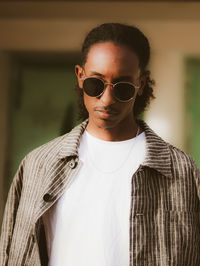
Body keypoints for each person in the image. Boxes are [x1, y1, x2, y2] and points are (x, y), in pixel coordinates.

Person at [0, 22, 199, 266]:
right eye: (96, 83)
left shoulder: (182, 171)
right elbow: (11, 252)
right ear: (80, 76)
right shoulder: (38, 165)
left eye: (123, 88)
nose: (107, 99)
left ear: (141, 84)